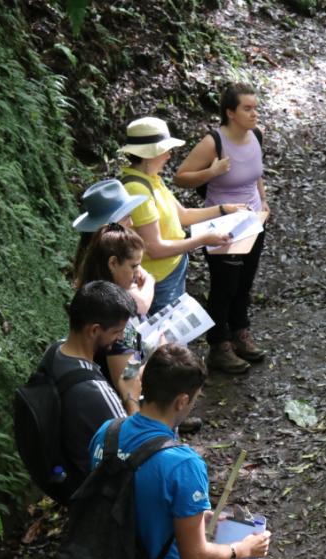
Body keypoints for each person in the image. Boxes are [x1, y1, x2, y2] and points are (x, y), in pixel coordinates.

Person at [88, 344, 272, 559]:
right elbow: (194, 556)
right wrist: (242, 550)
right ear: (182, 401)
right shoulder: (183, 464)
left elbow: (127, 500)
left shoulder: (106, 433)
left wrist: (195, 516)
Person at [174, 83, 271, 374]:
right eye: (247, 108)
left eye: (255, 107)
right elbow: (181, 178)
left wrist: (264, 203)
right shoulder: (212, 143)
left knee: (245, 281)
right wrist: (211, 172)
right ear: (230, 112)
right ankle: (219, 345)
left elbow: (257, 174)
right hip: (222, 225)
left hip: (253, 220)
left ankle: (241, 331)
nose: (254, 114)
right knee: (224, 286)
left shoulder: (256, 135)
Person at [118, 116, 245, 315]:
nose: (169, 155)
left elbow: (183, 216)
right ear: (151, 153)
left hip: (173, 270)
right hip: (159, 280)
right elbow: (156, 249)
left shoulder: (152, 179)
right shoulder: (137, 189)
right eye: (165, 150)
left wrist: (223, 210)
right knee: (165, 340)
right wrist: (202, 240)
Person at [56, 281, 140, 497]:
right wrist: (130, 395)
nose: (121, 338)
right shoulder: (95, 390)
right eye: (117, 331)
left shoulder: (56, 351)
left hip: (68, 461)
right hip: (98, 488)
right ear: (94, 330)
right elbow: (138, 445)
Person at [76, 223, 152, 387]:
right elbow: (127, 379)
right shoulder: (113, 313)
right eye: (134, 266)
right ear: (113, 263)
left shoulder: (93, 292)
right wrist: (159, 356)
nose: (138, 273)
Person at [72, 179, 150, 281]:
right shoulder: (104, 259)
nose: (131, 223)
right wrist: (149, 281)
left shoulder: (94, 250)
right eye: (125, 217)